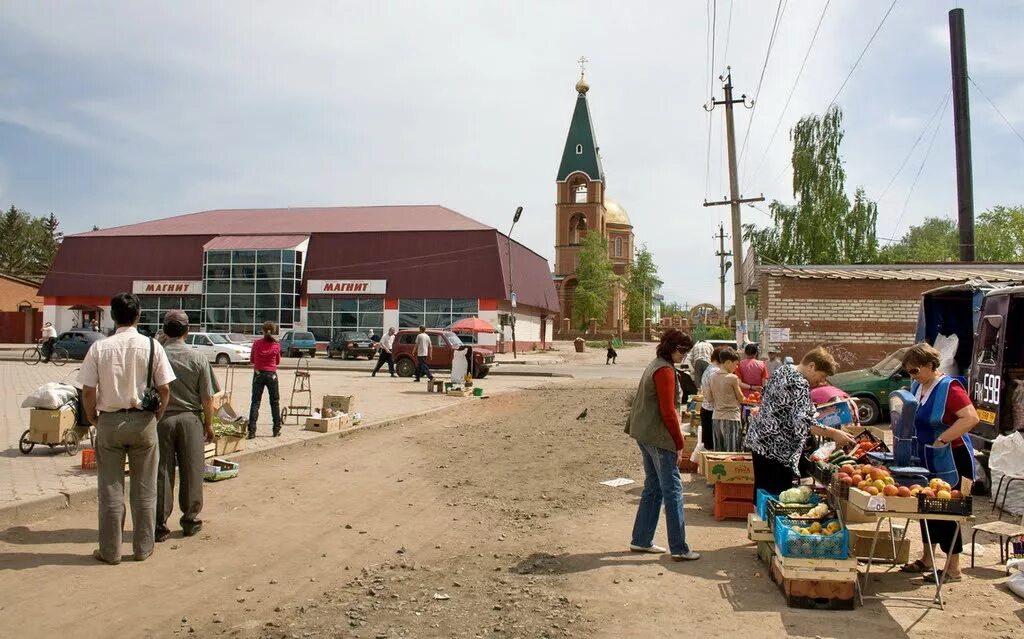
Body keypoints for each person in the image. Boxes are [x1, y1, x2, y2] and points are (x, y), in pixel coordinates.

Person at [80, 293, 174, 564]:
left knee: (110, 489)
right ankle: (143, 548)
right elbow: (165, 388)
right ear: (138, 315)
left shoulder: (99, 348)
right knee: (144, 489)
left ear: (112, 315)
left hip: (109, 422)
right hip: (144, 422)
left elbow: (88, 391)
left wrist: (94, 418)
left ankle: (110, 551)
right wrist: (156, 416)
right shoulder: (153, 346)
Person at [898, 343, 979, 583]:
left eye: (915, 371)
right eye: (909, 372)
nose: (912, 376)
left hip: (951, 459)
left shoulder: (950, 388)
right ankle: (927, 559)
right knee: (926, 506)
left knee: (946, 510)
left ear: (931, 366)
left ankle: (953, 568)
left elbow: (970, 418)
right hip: (926, 457)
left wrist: (944, 439)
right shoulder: (918, 386)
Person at [624, 328, 700, 561]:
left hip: (645, 433)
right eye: (683, 351)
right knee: (673, 490)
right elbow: (668, 412)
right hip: (658, 436)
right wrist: (679, 443)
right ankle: (679, 547)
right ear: (674, 348)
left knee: (654, 487)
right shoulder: (665, 371)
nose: (684, 356)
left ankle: (642, 539)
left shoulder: (656, 364)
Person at [744, 347, 856, 497]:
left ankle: (759, 518)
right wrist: (834, 433)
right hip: (777, 448)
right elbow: (804, 423)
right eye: (822, 376)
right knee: (777, 497)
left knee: (762, 492)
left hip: (760, 441)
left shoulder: (783, 370)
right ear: (811, 366)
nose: (821, 381)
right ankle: (764, 520)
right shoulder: (799, 382)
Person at [155, 310, 218, 542]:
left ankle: (159, 525)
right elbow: (207, 399)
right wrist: (209, 425)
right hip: (190, 419)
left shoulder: (156, 356)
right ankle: (190, 521)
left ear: (165, 330)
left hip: (161, 420)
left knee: (162, 472)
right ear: (187, 331)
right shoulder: (198, 358)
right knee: (192, 471)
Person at [248, 320, 282, 439]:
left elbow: (252, 360)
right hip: (271, 374)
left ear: (262, 331)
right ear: (274, 331)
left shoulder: (256, 344)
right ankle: (276, 429)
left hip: (258, 374)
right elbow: (277, 361)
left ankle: (252, 431)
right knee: (274, 402)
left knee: (255, 402)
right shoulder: (276, 345)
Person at [707, 347, 745, 452]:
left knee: (719, 453)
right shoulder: (732, 378)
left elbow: (709, 398)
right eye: (735, 364)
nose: (736, 367)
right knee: (732, 453)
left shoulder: (712, 377)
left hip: (716, 418)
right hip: (731, 418)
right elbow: (741, 398)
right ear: (728, 362)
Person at [699, 347, 723, 450]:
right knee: (713, 446)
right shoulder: (716, 371)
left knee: (708, 445)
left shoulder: (709, 368)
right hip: (712, 410)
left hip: (706, 408)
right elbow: (713, 394)